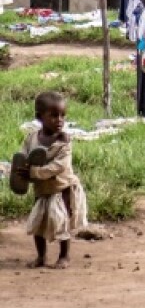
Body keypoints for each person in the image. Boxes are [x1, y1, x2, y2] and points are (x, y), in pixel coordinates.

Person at [13, 91, 88, 268]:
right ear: (39, 117)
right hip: (42, 190)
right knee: (37, 224)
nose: (59, 120)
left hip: (62, 188)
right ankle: (41, 257)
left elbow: (58, 167)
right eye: (54, 115)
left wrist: (33, 173)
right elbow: (23, 155)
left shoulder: (64, 142)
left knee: (61, 223)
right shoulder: (32, 138)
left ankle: (64, 256)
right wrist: (21, 170)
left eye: (63, 115)